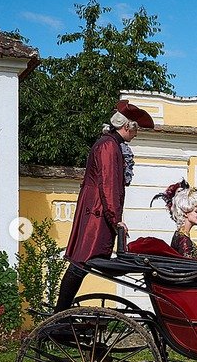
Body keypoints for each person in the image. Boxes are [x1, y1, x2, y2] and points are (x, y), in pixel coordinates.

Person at [54, 101, 154, 313]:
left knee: (83, 263)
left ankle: (60, 314)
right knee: (82, 262)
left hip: (98, 211)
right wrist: (115, 218)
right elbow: (108, 185)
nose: (136, 134)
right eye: (136, 129)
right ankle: (59, 316)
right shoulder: (108, 146)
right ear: (127, 126)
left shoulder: (110, 144)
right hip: (97, 213)